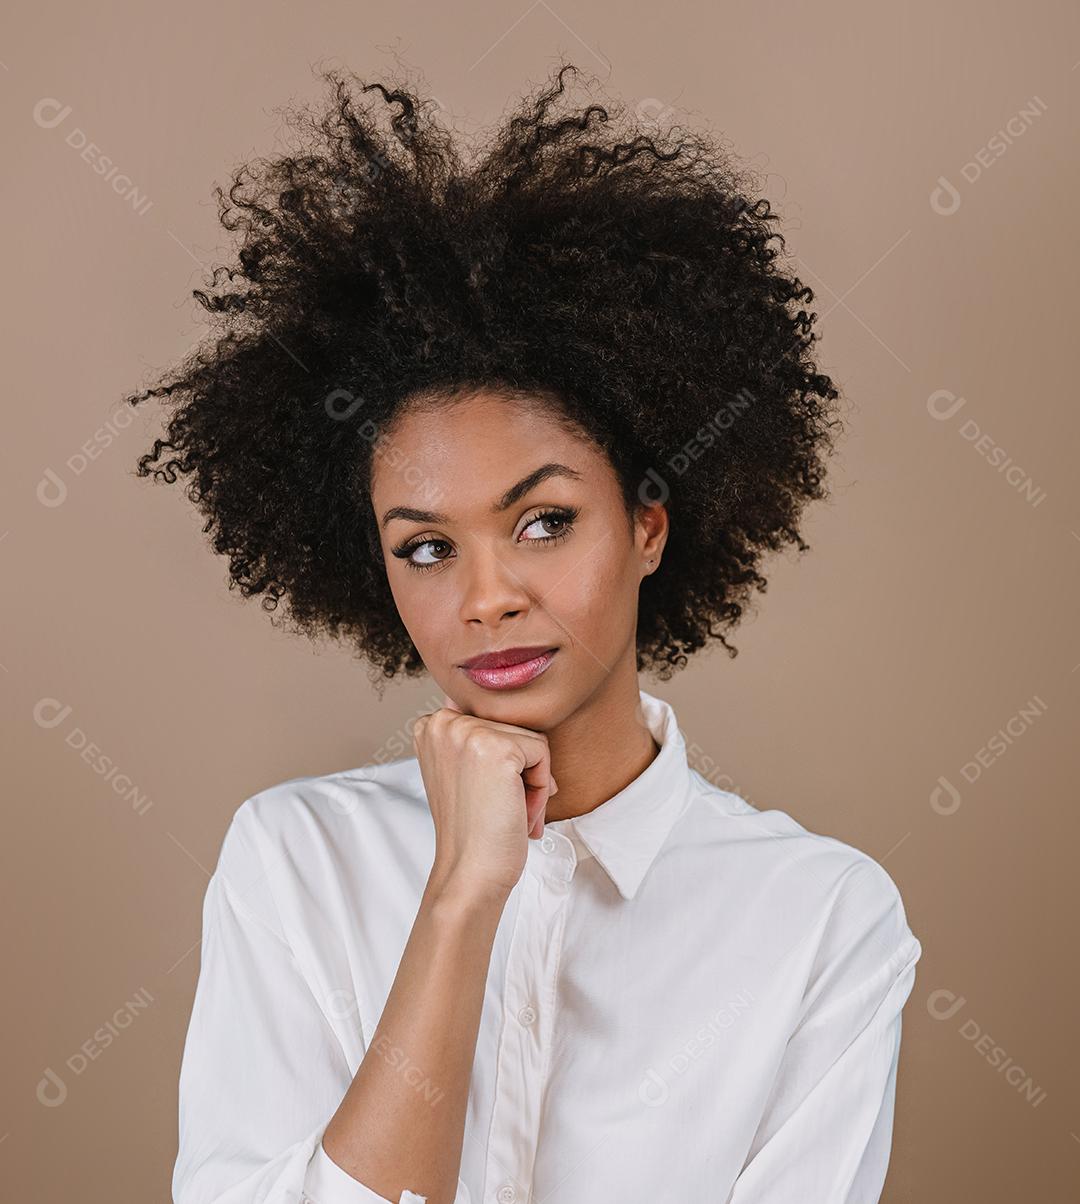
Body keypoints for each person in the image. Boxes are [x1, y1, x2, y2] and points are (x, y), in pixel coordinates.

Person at [126, 59, 922, 1204]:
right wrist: (460, 898)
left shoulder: (819, 918)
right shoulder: (295, 860)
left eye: (544, 521)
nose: (485, 596)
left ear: (649, 525)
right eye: (427, 546)